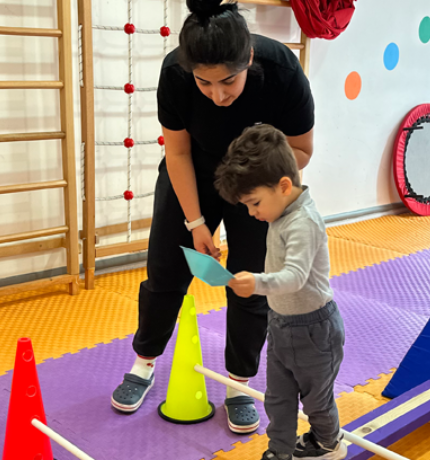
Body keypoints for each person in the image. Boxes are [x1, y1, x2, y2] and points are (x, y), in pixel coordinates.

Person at [110, 0, 315, 435]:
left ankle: (238, 384)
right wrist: (196, 223)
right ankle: (144, 362)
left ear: (250, 60)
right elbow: (178, 151)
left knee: (250, 282)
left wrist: (256, 193)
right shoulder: (174, 73)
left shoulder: (282, 71)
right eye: (204, 83)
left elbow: (301, 151)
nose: (218, 95)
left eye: (228, 81)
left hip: (256, 181)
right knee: (166, 272)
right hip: (194, 172)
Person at [217, 125, 346, 460]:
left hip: (315, 329)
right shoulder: (280, 212)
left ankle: (328, 443)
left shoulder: (304, 221)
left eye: (254, 203)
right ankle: (279, 451)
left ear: (284, 186)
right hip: (280, 324)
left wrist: (257, 283)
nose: (252, 212)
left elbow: (296, 277)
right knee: (278, 398)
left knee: (316, 400)